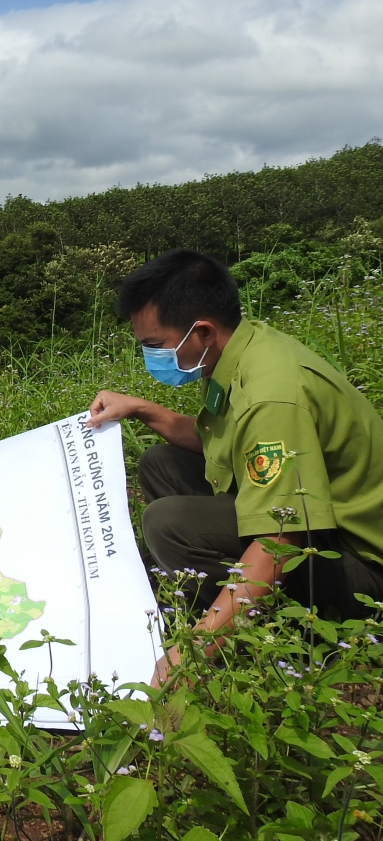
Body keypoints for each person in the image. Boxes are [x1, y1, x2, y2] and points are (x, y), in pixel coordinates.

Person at [86, 249, 383, 684]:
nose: (150, 357)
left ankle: (262, 633)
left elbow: (281, 541)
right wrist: (142, 409)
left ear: (202, 331)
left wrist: (194, 650)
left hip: (359, 568)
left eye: (155, 346)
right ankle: (223, 605)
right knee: (160, 463)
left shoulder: (272, 397)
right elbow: (217, 441)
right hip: (315, 523)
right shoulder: (240, 349)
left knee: (168, 523)